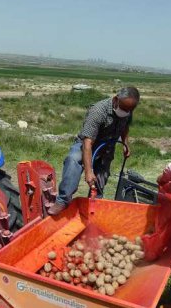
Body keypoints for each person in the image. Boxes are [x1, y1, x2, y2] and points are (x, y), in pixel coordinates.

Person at [47, 87, 140, 216]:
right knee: (73, 160)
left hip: (106, 148)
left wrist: (126, 144)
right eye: (123, 108)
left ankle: (94, 204)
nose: (125, 112)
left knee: (101, 178)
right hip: (87, 144)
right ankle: (63, 200)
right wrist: (88, 172)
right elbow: (87, 143)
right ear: (115, 99)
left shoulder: (127, 110)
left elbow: (125, 126)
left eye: (128, 110)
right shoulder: (98, 111)